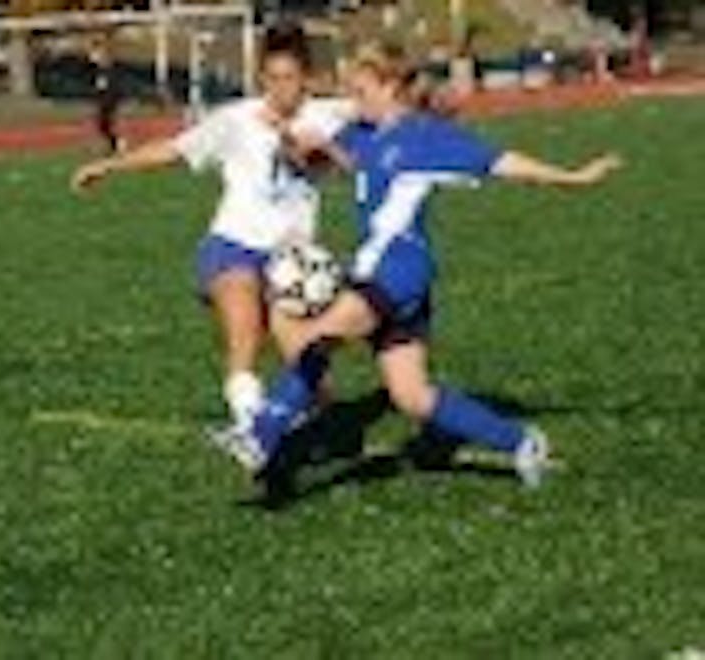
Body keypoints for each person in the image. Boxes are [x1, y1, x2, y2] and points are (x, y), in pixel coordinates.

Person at [210, 45, 623, 488]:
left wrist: (572, 178)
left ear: (390, 87)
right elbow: (336, 164)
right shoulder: (361, 131)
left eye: (361, 91)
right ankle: (522, 442)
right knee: (412, 395)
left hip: (398, 271)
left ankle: (260, 434)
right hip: (379, 274)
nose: (354, 101)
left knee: (319, 336)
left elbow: (500, 162)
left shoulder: (427, 137)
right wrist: (298, 145)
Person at [71, 23, 351, 431]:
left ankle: (320, 417)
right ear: (261, 79)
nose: (280, 88)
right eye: (272, 78)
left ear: (306, 80)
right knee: (244, 332)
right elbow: (175, 150)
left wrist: (323, 149)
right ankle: (249, 423)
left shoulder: (325, 118)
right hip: (233, 246)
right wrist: (108, 166)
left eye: (290, 78)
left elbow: (366, 148)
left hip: (292, 261)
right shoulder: (235, 120)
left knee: (309, 367)